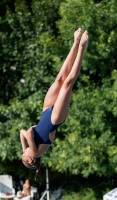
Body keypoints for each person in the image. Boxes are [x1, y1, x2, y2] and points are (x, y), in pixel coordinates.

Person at [20, 28, 89, 170]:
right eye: (24, 156)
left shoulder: (32, 151)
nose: (24, 152)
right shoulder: (36, 153)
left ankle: (75, 42)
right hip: (54, 119)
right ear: (31, 161)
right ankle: (82, 47)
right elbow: (26, 132)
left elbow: (23, 132)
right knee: (67, 84)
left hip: (46, 112)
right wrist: (28, 139)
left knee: (59, 79)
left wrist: (24, 146)